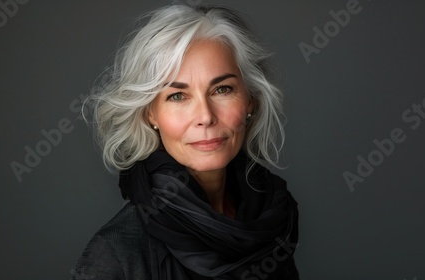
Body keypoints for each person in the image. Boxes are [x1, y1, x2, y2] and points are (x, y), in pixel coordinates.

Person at [72, 4, 299, 280]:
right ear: (150, 113)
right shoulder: (115, 255)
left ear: (250, 100)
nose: (205, 116)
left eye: (222, 89)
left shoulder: (269, 219)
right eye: (178, 96)